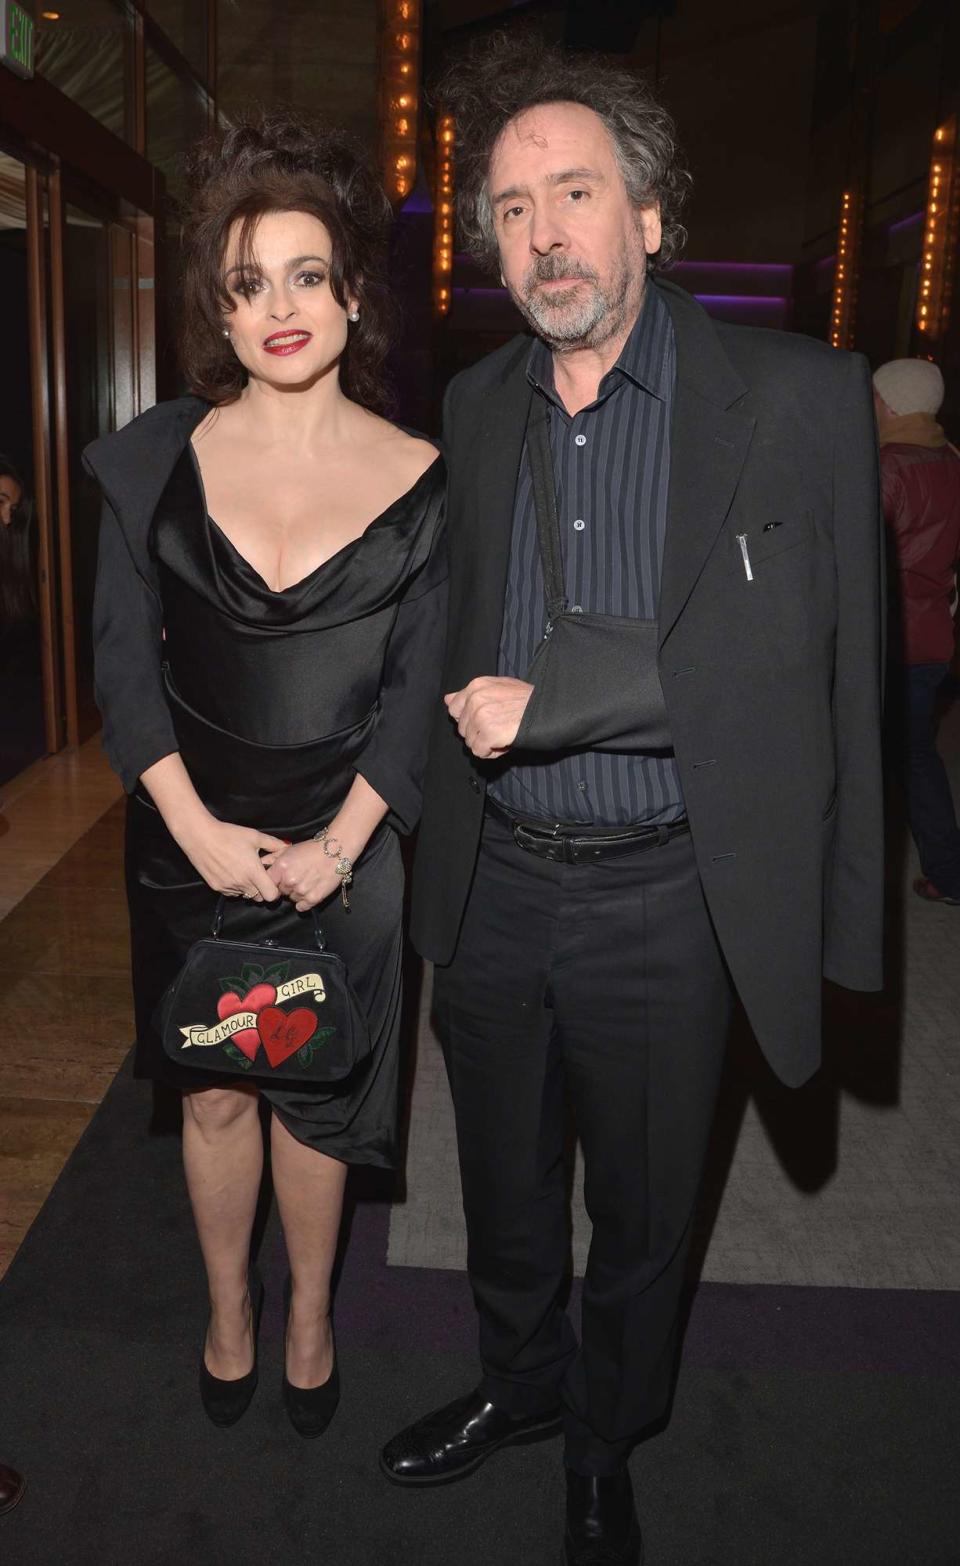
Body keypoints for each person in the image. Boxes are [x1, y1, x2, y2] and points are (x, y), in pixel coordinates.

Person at [380, 36, 884, 1566]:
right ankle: (520, 1388)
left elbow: (830, 671)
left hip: (676, 894)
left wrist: (846, 926)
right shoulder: (472, 406)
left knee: (648, 1217)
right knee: (505, 1190)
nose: (542, 230)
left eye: (575, 191)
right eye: (512, 205)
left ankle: (606, 1440)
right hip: (495, 881)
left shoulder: (798, 396)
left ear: (652, 215)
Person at [84, 112, 444, 1436]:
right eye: (247, 283)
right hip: (192, 840)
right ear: (218, 318)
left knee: (318, 1095)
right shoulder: (148, 466)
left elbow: (414, 701)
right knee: (218, 1086)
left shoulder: (425, 481)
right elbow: (126, 680)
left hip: (350, 850)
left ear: (354, 292)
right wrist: (199, 833)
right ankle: (229, 1303)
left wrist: (342, 844)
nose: (279, 306)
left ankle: (309, 1312)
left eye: (305, 273)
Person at [874, 357, 960, 905]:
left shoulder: (885, 468)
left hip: (881, 639)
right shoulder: (951, 461)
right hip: (933, 637)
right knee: (917, 756)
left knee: (853, 760)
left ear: (893, 402)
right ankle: (949, 875)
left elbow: (856, 559)